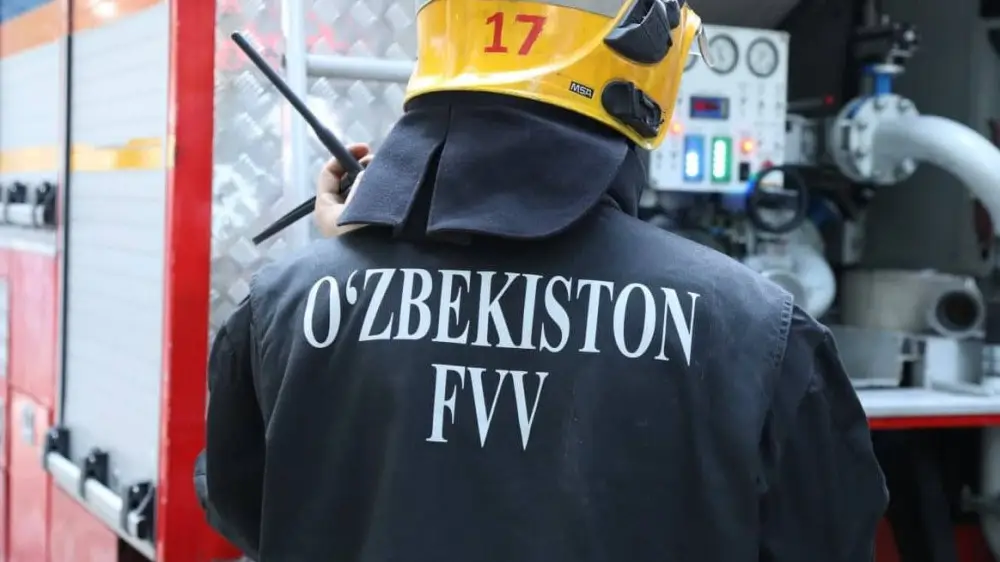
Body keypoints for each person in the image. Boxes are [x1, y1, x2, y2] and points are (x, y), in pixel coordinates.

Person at [196, 0, 888, 560]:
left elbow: (248, 507)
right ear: (649, 70)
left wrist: (354, 279)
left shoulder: (283, 304)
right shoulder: (757, 332)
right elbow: (828, 536)